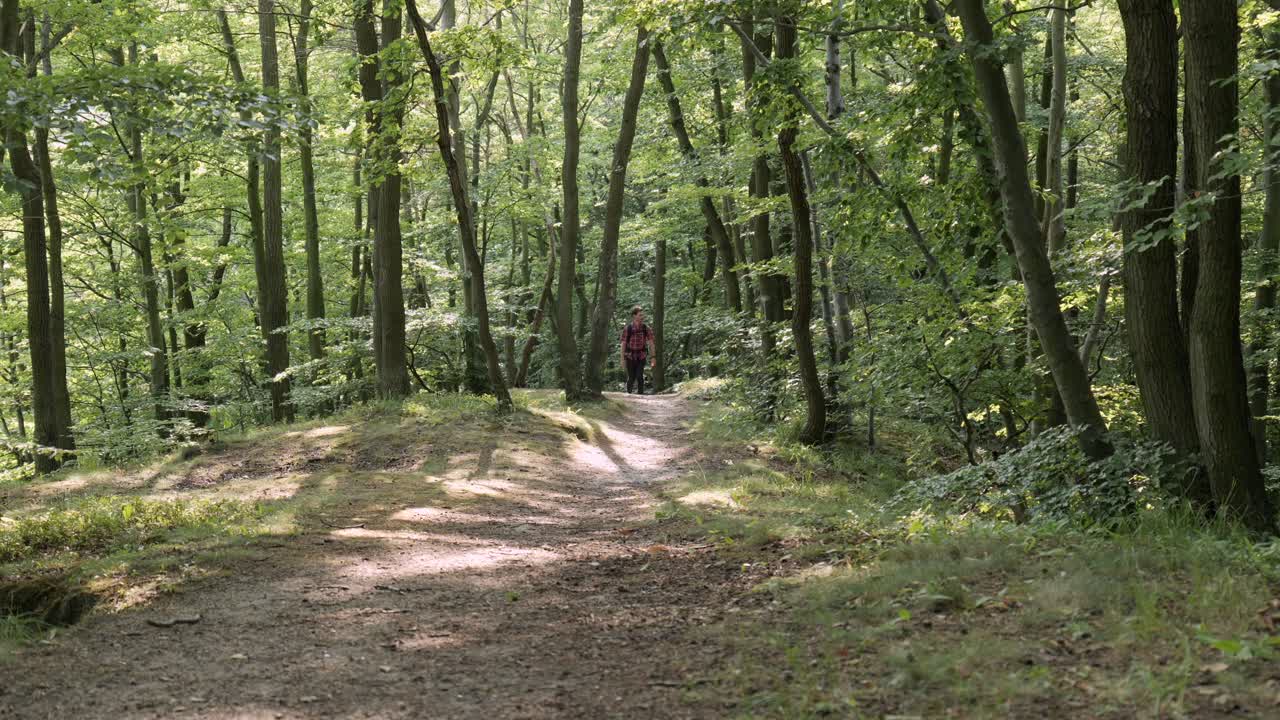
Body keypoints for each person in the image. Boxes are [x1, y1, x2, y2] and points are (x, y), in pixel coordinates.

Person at [620, 305, 655, 395]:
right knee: (631, 377)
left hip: (641, 355)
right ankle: (628, 394)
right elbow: (623, 344)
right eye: (640, 315)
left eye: (642, 315)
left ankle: (640, 396)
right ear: (634, 316)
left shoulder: (646, 328)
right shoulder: (628, 328)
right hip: (629, 355)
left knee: (640, 376)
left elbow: (651, 343)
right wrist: (622, 359)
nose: (642, 317)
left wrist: (653, 357)